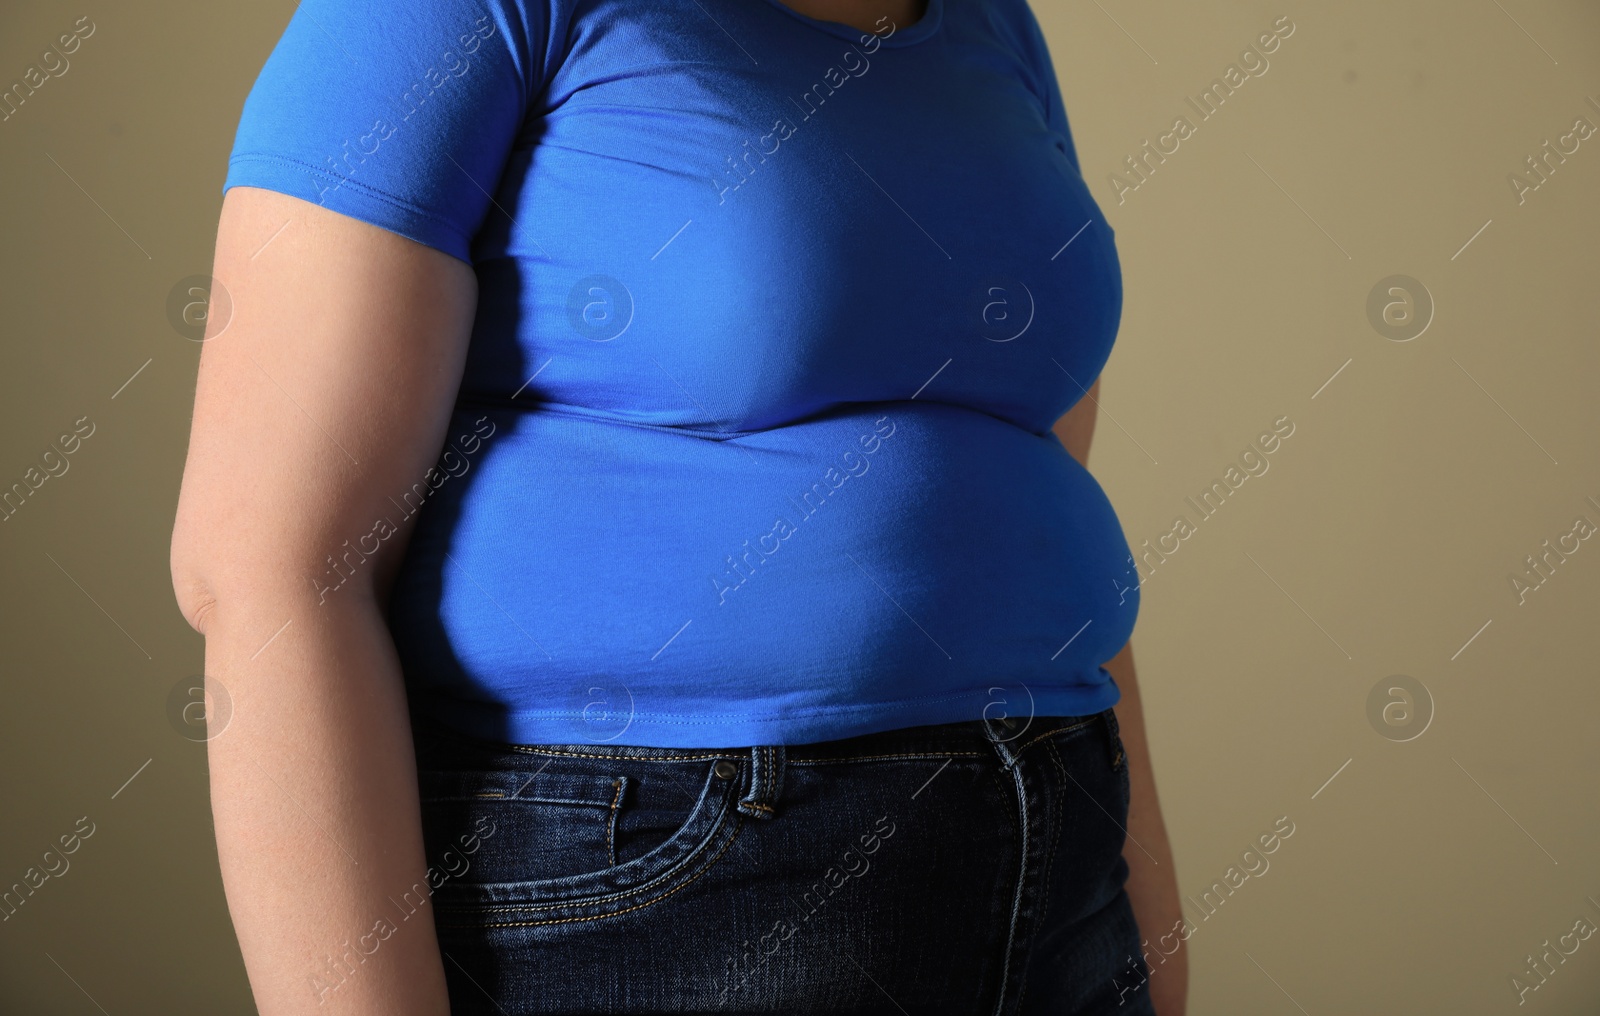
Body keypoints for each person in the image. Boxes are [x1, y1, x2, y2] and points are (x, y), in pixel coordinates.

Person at [170, 0, 1185, 1012]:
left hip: (1060, 833)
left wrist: (1150, 940)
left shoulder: (989, 23)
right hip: (679, 876)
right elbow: (269, 569)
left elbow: (1035, 496)